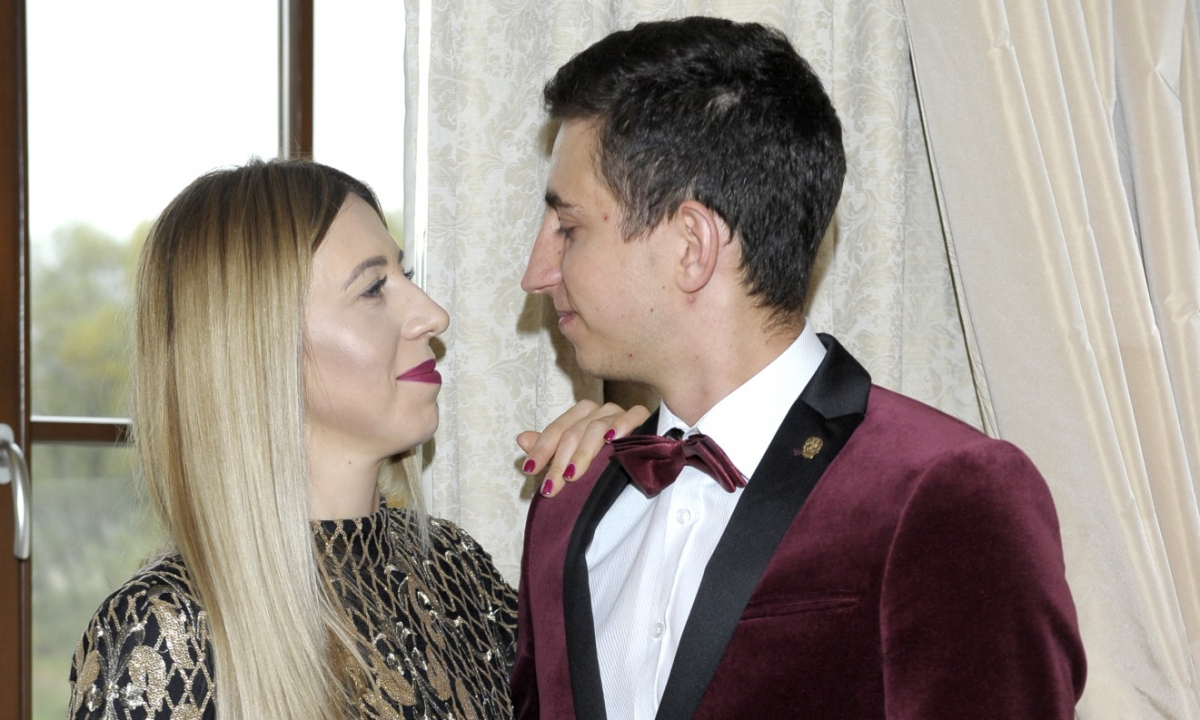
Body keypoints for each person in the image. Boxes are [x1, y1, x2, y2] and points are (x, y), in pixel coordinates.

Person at [513, 16, 1087, 720]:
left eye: (568, 228)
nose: (536, 273)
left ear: (692, 245)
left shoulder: (948, 493)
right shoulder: (567, 504)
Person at [67, 159, 642, 720]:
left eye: (405, 277)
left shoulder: (452, 567)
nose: (432, 315)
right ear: (261, 350)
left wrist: (618, 518)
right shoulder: (161, 635)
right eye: (373, 289)